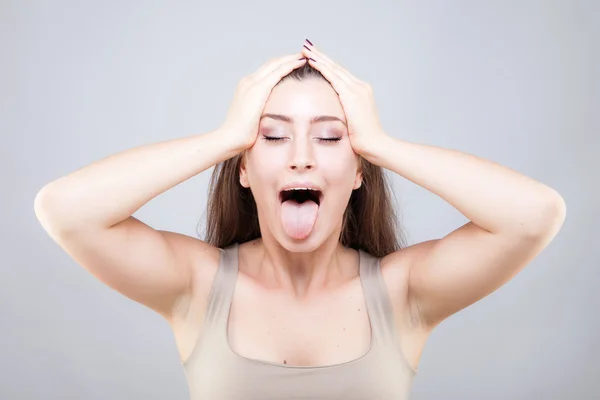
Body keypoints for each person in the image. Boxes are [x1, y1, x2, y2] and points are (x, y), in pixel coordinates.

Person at [34, 39, 566, 399]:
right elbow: (63, 210)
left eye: (331, 136)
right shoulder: (197, 285)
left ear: (359, 172)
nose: (302, 156)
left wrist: (380, 144)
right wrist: (224, 139)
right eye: (272, 134)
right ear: (245, 167)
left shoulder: (403, 294)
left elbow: (535, 215)